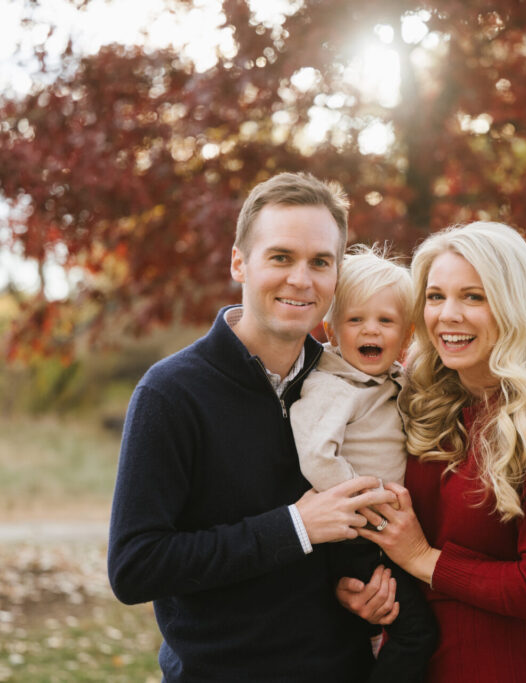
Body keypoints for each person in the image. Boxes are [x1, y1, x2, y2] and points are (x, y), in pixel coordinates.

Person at [107, 171, 397, 683]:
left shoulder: (356, 382)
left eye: (320, 263)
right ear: (240, 262)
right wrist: (296, 527)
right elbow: (136, 567)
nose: (301, 280)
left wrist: (357, 585)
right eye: (281, 257)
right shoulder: (170, 393)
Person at [337, 221, 526, 682]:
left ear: (512, 305)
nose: (447, 315)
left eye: (472, 297)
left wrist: (421, 557)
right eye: (435, 297)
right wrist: (358, 587)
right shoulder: (413, 394)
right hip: (407, 665)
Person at [290, 244, 438, 683]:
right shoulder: (332, 386)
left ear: (407, 334)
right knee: (417, 633)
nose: (369, 330)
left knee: (380, 626)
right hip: (358, 535)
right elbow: (317, 457)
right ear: (331, 331)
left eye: (384, 321)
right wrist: (368, 504)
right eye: (355, 320)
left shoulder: (390, 380)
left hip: (376, 532)